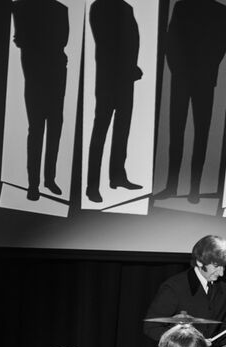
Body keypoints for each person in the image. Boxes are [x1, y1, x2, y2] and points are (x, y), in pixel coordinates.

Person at [158, 0, 226, 203]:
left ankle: (193, 189)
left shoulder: (218, 11)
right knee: (180, 133)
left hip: (200, 80)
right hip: (189, 78)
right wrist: (177, 70)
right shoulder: (187, 6)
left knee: (199, 135)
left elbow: (221, 47)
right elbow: (171, 40)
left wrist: (184, 70)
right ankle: (175, 187)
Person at [144, 234, 226, 347]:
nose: (221, 273)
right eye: (216, 266)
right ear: (200, 262)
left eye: (224, 267)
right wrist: (188, 344)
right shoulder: (174, 287)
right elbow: (151, 327)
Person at [11, 0, 71, 201]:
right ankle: (34, 184)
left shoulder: (59, 9)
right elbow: (22, 40)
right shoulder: (21, 7)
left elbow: (61, 41)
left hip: (53, 76)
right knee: (38, 130)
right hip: (37, 76)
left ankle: (48, 179)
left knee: (53, 129)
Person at [85, 0, 143, 203]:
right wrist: (129, 68)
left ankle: (117, 176)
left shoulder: (126, 8)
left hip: (126, 80)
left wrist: (132, 67)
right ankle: (92, 186)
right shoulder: (100, 6)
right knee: (100, 131)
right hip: (109, 80)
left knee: (122, 129)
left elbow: (131, 42)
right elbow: (106, 43)